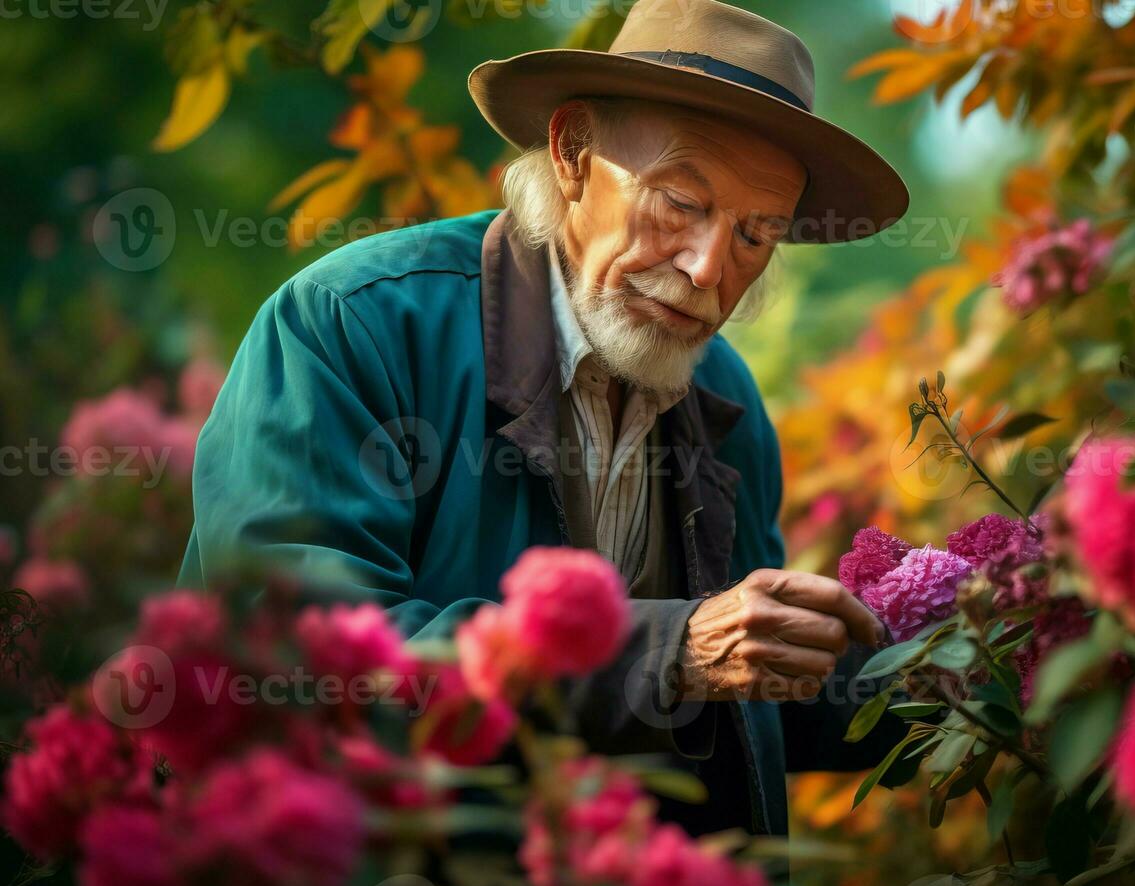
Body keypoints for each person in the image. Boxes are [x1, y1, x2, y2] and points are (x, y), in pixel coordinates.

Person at [180, 0, 912, 837]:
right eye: (679, 201)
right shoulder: (353, 326)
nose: (709, 267)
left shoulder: (727, 408)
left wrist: (984, 664)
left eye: (756, 234)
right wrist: (670, 651)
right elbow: (299, 660)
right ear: (571, 153)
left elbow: (754, 717)